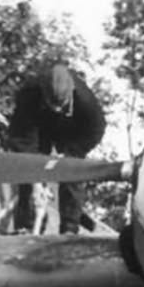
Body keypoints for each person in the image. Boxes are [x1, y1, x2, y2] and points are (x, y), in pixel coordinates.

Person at [6, 62, 107, 234]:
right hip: (39, 127)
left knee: (72, 170)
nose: (58, 109)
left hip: (72, 133)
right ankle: (27, 225)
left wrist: (70, 152)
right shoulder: (29, 94)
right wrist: (35, 177)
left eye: (62, 104)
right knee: (28, 170)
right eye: (53, 104)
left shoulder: (87, 104)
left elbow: (95, 132)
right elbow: (22, 138)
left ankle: (70, 227)